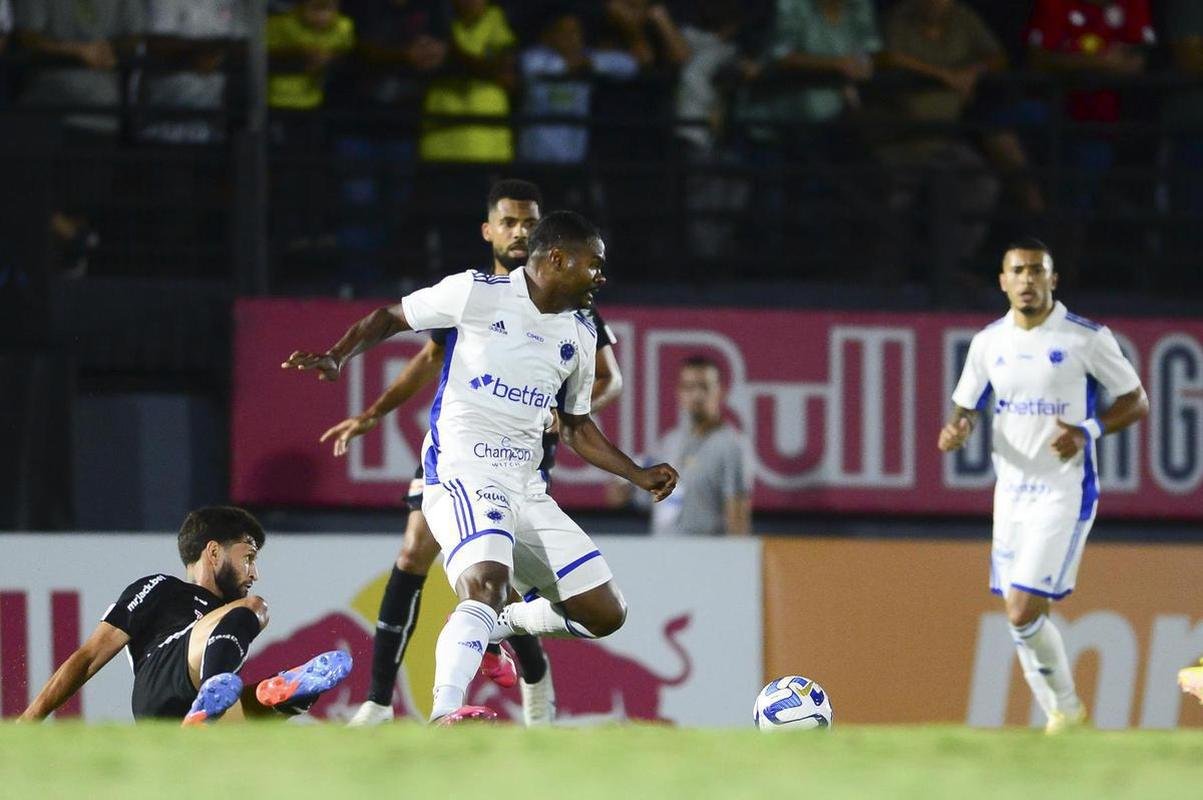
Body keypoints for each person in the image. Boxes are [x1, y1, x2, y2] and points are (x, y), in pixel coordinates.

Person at [283, 210, 678, 724]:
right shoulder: (476, 293)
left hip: (527, 488)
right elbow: (390, 317)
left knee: (605, 613)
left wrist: (637, 475)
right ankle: (446, 710)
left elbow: (577, 426)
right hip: (463, 473)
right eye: (594, 265)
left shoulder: (580, 334)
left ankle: (497, 624)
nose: (601, 276)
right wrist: (338, 356)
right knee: (485, 582)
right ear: (557, 258)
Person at [937, 238, 1148, 734]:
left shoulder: (1086, 339)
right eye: (1018, 271)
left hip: (1063, 491)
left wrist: (1086, 431)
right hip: (1009, 495)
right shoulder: (989, 343)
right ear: (1003, 281)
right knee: (1026, 615)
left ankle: (1067, 710)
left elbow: (1136, 401)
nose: (1027, 280)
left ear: (1053, 280)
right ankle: (1062, 718)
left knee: (1020, 608)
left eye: (1037, 271)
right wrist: (958, 427)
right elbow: (966, 404)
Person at [19, 506, 352, 725]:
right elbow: (89, 656)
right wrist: (29, 721)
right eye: (248, 557)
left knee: (235, 712)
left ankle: (275, 698)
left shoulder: (228, 629)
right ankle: (238, 695)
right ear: (213, 552)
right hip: (161, 678)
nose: (254, 573)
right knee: (254, 609)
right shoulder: (161, 587)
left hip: (178, 718)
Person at [608, 355, 752, 536]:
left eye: (704, 387)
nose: (697, 395)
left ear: (720, 392)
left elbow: (737, 518)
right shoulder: (669, 442)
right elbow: (624, 497)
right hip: (662, 554)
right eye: (689, 387)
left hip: (705, 557)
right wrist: (625, 488)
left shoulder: (732, 446)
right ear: (679, 392)